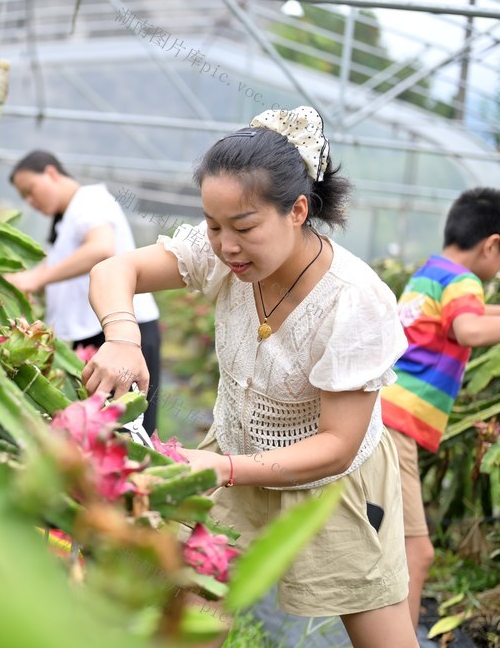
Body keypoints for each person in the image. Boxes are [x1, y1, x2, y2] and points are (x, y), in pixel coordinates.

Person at [81, 107, 418, 648]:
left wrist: (225, 467)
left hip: (333, 485)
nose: (225, 245)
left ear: (297, 210)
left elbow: (336, 445)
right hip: (234, 457)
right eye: (213, 226)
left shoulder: (353, 300)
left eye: (243, 227)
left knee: (380, 633)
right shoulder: (221, 258)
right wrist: (122, 335)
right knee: (192, 622)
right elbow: (113, 270)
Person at [380, 187, 500, 628]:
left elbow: (467, 314)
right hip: (397, 425)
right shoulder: (465, 282)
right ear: (492, 244)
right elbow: (468, 328)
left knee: (393, 546)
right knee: (418, 551)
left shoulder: (432, 272)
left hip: (381, 415)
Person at [5, 150, 162, 435]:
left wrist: (36, 279)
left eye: (30, 190)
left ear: (51, 173)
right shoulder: (67, 219)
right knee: (105, 432)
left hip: (120, 333)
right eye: (23, 197)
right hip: (97, 332)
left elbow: (101, 248)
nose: (30, 201)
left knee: (127, 433)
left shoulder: (89, 200)